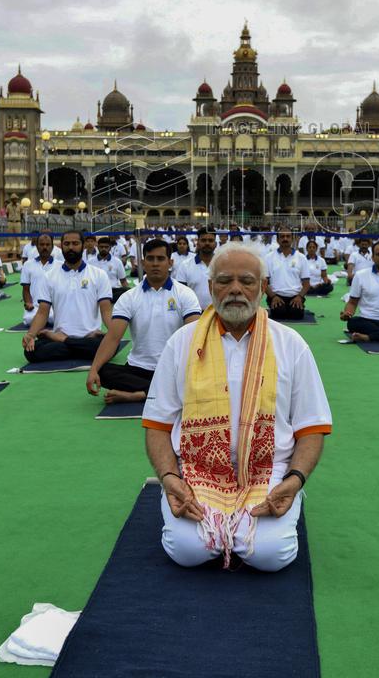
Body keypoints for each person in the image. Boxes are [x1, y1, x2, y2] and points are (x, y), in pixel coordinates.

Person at [142, 242, 332, 571]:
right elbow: (158, 424)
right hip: (196, 472)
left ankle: (276, 507)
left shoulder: (290, 344)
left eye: (246, 281)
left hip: (268, 470)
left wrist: (295, 479)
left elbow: (312, 427)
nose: (235, 290)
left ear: (262, 287)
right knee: (188, 551)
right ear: (209, 286)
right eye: (224, 281)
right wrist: (170, 477)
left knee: (270, 556)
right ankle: (224, 523)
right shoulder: (182, 343)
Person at [85, 238, 201, 404]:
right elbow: (113, 338)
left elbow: (194, 334)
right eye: (150, 259)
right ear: (142, 262)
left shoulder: (185, 294)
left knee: (196, 377)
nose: (155, 263)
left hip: (172, 367)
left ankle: (140, 394)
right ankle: (159, 393)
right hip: (138, 369)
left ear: (170, 262)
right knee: (103, 371)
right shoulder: (129, 297)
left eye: (160, 259)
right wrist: (94, 369)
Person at [22, 231, 113, 364]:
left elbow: (106, 311)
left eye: (75, 243)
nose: (71, 247)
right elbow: (42, 312)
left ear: (83, 246)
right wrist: (30, 335)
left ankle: (66, 343)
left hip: (89, 337)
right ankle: (74, 346)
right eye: (67, 244)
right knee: (31, 351)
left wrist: (113, 334)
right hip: (62, 337)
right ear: (61, 246)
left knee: (109, 345)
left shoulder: (99, 275)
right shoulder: (49, 276)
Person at [265, 227, 311, 321]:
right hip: (276, 295)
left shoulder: (301, 257)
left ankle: (298, 305)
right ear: (277, 240)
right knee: (279, 314)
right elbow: (264, 282)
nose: (285, 239)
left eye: (288, 236)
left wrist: (299, 297)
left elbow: (306, 284)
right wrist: (273, 296)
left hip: (295, 296)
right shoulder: (268, 258)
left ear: (292, 239)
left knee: (296, 315)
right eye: (282, 236)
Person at [20, 232, 56, 327]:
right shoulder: (28, 265)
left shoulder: (60, 265)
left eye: (48, 245)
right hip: (36, 306)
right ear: (37, 246)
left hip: (55, 306)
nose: (45, 247)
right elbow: (26, 289)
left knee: (54, 317)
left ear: (52, 247)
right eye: (42, 244)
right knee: (28, 319)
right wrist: (28, 302)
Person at [177, 226, 216, 310]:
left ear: (215, 243)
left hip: (218, 314)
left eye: (210, 240)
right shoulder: (185, 265)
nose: (207, 243)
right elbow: (180, 294)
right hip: (193, 314)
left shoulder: (223, 264)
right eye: (203, 240)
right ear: (197, 242)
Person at [89, 236, 129, 303]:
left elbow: (123, 281)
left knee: (126, 291)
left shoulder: (117, 262)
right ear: (97, 247)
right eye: (101, 247)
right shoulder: (90, 262)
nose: (103, 249)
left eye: (106, 247)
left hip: (113, 291)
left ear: (110, 247)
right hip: (96, 291)